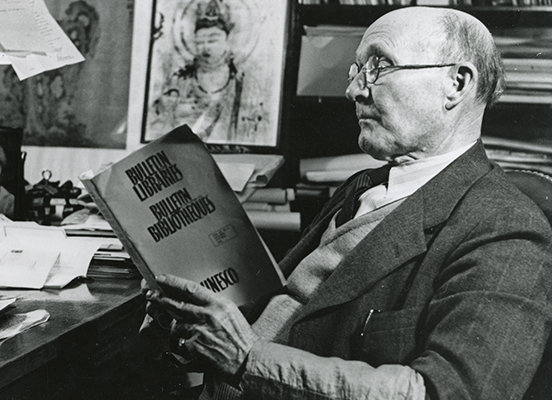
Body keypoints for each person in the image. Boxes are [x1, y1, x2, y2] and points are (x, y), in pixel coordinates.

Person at [141, 6, 552, 400]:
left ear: (456, 84)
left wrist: (246, 359)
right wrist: (197, 322)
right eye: (358, 69)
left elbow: (449, 394)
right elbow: (289, 314)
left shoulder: (508, 229)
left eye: (379, 66)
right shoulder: (363, 186)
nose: (353, 88)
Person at [147, 0, 267, 144]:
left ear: (228, 41)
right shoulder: (178, 83)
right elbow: (155, 127)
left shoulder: (247, 86)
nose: (205, 48)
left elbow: (258, 133)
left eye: (212, 41)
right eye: (200, 42)